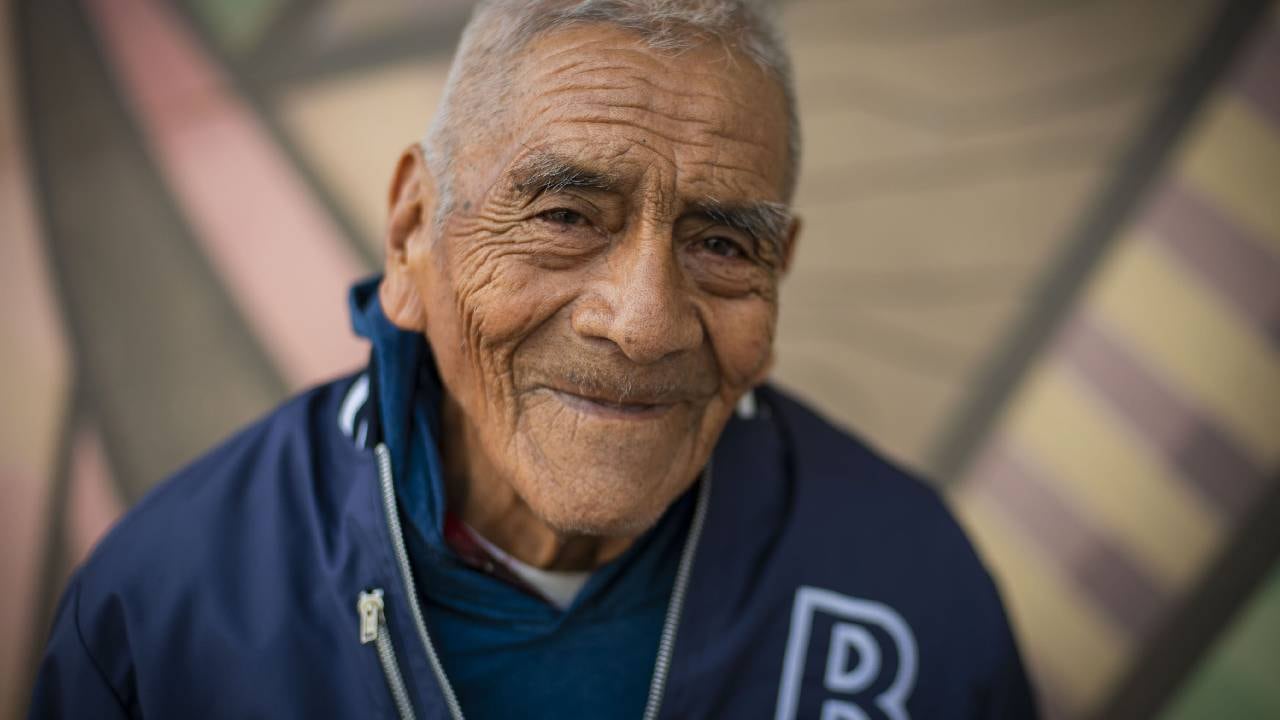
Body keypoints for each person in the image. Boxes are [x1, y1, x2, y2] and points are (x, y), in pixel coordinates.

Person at [30, 1, 1037, 718]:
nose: (643, 323)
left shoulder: (909, 586)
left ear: (779, 270)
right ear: (413, 235)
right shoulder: (170, 608)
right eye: (563, 216)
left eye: (723, 244)